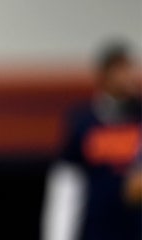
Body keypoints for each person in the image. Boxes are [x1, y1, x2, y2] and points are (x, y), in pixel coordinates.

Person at [41, 41, 141, 240]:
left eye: (129, 68)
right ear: (102, 75)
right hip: (95, 228)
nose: (127, 76)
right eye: (119, 69)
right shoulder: (83, 122)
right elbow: (65, 187)